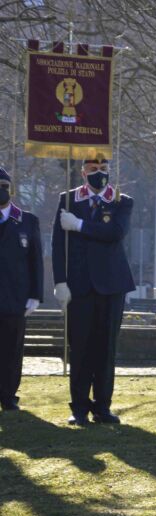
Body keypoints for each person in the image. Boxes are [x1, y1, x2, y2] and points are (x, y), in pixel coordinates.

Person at [52, 157, 134, 426]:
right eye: (93, 169)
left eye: (104, 169)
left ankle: (103, 406)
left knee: (105, 348)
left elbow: (115, 233)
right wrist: (60, 281)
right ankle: (78, 408)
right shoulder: (68, 200)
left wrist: (79, 226)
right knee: (80, 348)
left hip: (112, 285)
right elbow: (57, 245)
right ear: (83, 171)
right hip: (80, 285)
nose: (99, 174)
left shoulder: (121, 200)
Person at [0, 166, 43, 412]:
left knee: (12, 350)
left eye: (5, 186)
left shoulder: (27, 220)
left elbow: (36, 261)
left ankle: (8, 395)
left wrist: (36, 295)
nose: (1, 191)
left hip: (16, 298)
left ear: (12, 189)